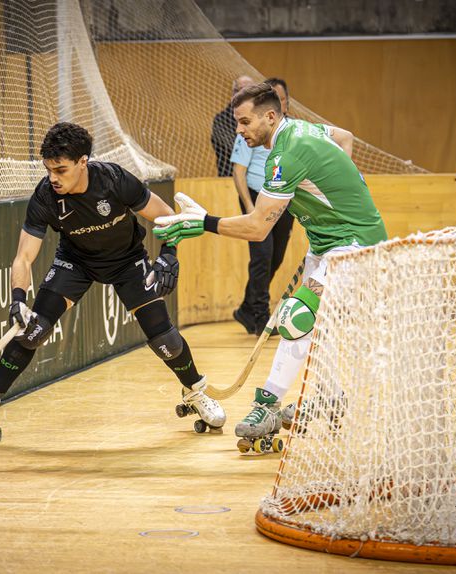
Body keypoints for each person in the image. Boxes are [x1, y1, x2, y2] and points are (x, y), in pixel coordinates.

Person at [0, 123, 225, 444]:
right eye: (48, 169)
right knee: (33, 331)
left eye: (61, 169)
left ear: (83, 162)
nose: (53, 177)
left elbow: (165, 215)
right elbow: (23, 258)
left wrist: (169, 254)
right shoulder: (45, 195)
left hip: (127, 261)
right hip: (76, 263)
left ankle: (195, 392)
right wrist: (17, 299)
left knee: (164, 338)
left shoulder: (114, 180)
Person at [154, 83, 385, 448]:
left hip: (354, 248)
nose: (240, 130)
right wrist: (336, 196)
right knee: (315, 328)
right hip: (328, 246)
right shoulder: (305, 130)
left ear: (271, 116)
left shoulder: (287, 153)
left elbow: (258, 228)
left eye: (245, 122)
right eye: (238, 123)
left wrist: (203, 222)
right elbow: (345, 136)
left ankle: (267, 405)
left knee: (295, 317)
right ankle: (330, 396)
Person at [229, 77, 295, 334]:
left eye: (281, 98)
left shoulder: (291, 131)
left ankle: (246, 307)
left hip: (284, 199)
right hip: (257, 197)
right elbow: (238, 171)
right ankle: (260, 316)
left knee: (275, 257)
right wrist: (249, 206)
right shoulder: (251, 130)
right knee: (262, 257)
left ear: (284, 104)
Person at [211, 75, 255, 177]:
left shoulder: (263, 117)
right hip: (230, 179)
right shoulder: (221, 119)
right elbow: (230, 148)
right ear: (234, 94)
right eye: (242, 90)